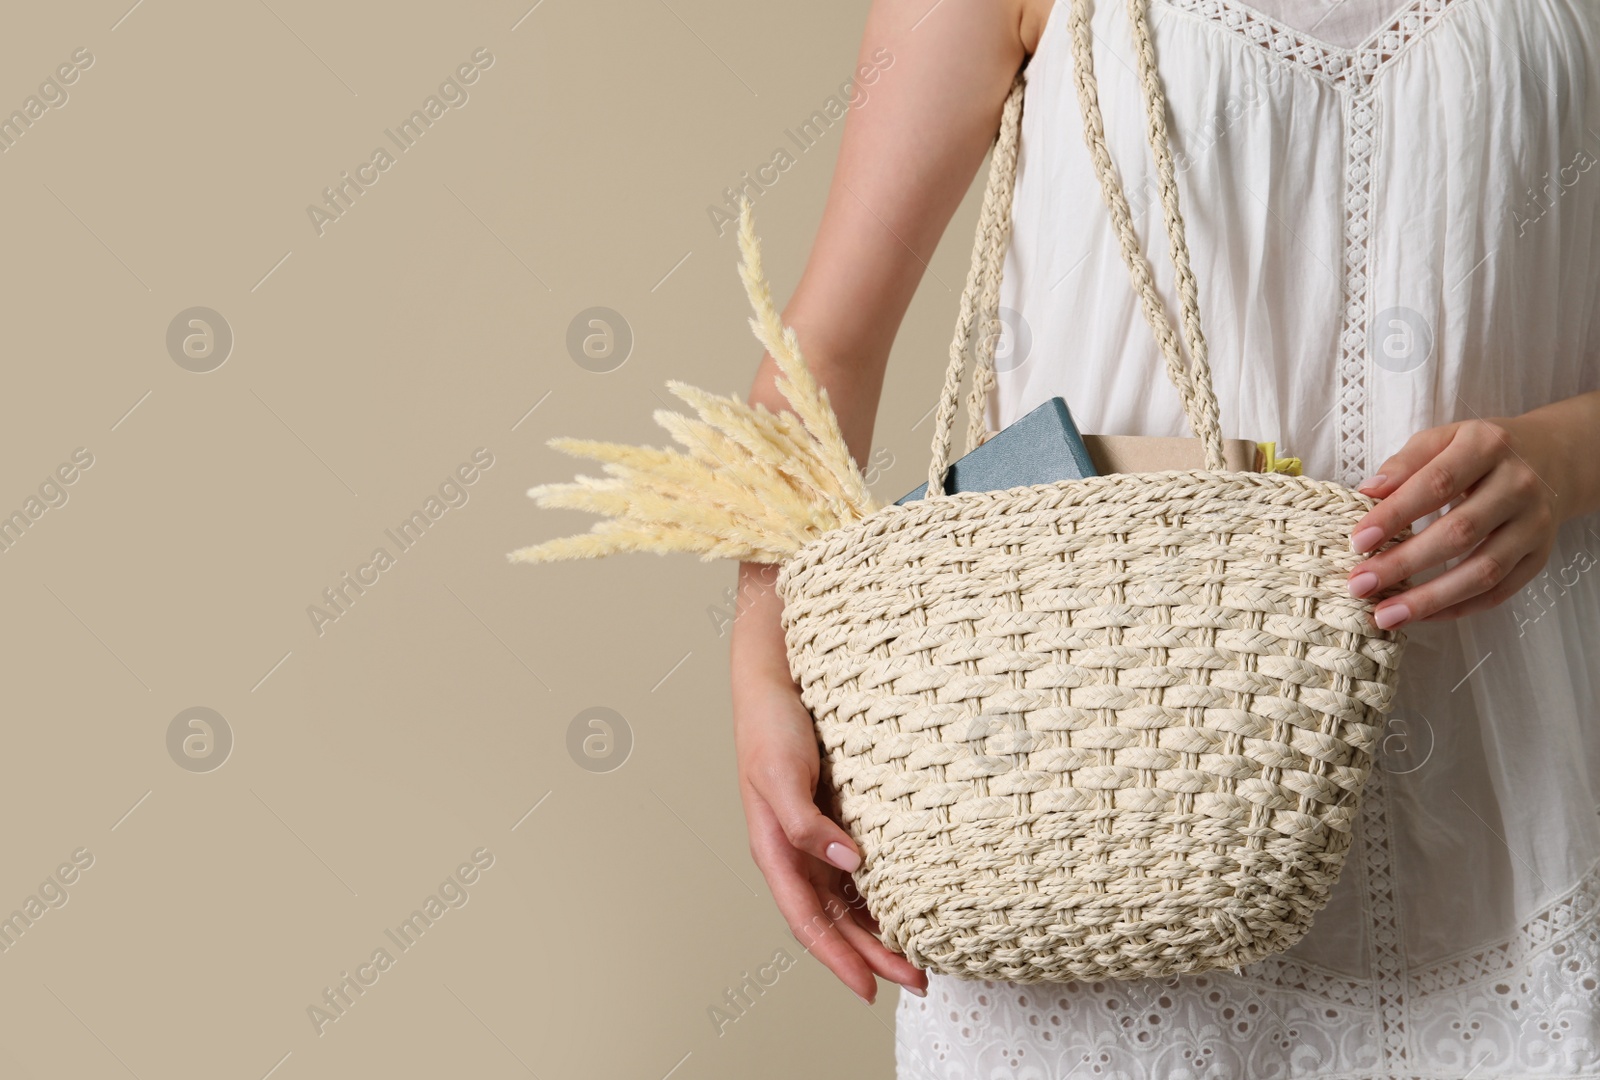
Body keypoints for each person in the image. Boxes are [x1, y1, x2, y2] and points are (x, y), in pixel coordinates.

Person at [729, 0, 1600, 1075]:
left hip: (1528, 823)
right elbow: (825, 355)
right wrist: (758, 670)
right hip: (1096, 808)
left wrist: (1562, 458)